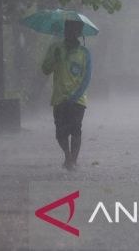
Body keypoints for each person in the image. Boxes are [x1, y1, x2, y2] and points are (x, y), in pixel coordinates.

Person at [41, 19, 91, 171]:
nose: (71, 33)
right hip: (59, 98)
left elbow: (86, 78)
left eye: (75, 30)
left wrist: (74, 97)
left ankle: (73, 160)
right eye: (69, 29)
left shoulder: (84, 53)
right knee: (60, 131)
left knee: (76, 128)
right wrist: (54, 59)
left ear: (79, 32)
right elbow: (45, 69)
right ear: (65, 31)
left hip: (78, 99)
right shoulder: (56, 48)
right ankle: (67, 156)